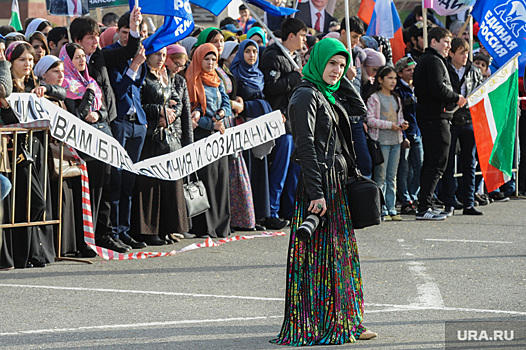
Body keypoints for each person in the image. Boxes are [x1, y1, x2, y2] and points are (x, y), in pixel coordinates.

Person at [272, 38, 376, 346]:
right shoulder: (305, 96)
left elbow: (358, 108)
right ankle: (323, 321)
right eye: (332, 64)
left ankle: (346, 318)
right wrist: (317, 194)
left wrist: (342, 79)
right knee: (322, 258)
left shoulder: (325, 92)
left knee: (339, 256)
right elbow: (304, 148)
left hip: (337, 185)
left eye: (342, 65)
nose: (337, 70)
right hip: (320, 187)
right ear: (318, 62)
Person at [69, 8, 142, 251]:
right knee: (95, 185)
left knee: (110, 182)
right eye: (90, 37)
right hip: (85, 132)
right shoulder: (68, 65)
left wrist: (134, 27)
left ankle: (107, 234)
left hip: (105, 124)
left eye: (96, 35)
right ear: (78, 40)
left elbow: (130, 51)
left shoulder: (100, 57)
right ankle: (90, 236)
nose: (95, 40)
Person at [0, 42, 61, 269]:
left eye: (31, 60)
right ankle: (18, 254)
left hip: (36, 151)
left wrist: (47, 91)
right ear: (11, 63)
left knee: (34, 204)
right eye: (22, 60)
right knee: (32, 203)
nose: (28, 64)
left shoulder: (33, 85)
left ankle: (30, 253)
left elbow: (62, 92)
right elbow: (9, 120)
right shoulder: (6, 90)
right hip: (14, 154)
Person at [131, 47, 192, 244]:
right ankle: (149, 231)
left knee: (168, 185)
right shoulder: (143, 76)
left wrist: (171, 113)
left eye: (164, 55)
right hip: (150, 137)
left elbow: (178, 99)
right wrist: (159, 111)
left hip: (168, 137)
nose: (161, 59)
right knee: (150, 186)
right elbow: (137, 102)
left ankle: (167, 228)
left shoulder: (166, 76)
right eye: (157, 54)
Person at [105, 11, 149, 249]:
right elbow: (118, 90)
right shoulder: (111, 55)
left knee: (129, 181)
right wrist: (133, 65)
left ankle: (125, 229)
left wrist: (137, 66)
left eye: (133, 33)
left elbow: (138, 86)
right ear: (119, 32)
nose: (128, 38)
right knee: (117, 179)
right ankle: (113, 230)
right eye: (125, 32)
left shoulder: (139, 54)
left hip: (137, 122)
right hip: (120, 122)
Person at [413, 27, 467, 220]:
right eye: (445, 41)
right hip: (435, 118)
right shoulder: (433, 61)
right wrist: (456, 97)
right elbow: (438, 89)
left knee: (433, 162)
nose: (448, 46)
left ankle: (426, 204)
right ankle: (424, 207)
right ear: (433, 42)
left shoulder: (430, 60)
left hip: (433, 117)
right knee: (436, 163)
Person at [260, 18, 307, 229]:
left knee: (294, 170)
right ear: (291, 36)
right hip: (279, 121)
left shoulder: (295, 57)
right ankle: (272, 211)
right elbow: (271, 88)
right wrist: (294, 78)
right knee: (279, 169)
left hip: (295, 121)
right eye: (302, 35)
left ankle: (290, 210)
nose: (304, 40)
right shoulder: (272, 56)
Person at [186, 43, 231, 238]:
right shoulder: (191, 79)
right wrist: (209, 124)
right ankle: (204, 226)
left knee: (220, 179)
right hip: (201, 135)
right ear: (198, 59)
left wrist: (222, 113)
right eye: (207, 59)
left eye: (214, 59)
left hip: (218, 135)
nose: (211, 63)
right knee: (205, 181)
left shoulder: (217, 80)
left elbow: (226, 103)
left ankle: (221, 225)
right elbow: (190, 112)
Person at [230, 39, 273, 230]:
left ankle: (262, 215)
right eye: (247, 51)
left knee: (259, 170)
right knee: (245, 171)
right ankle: (246, 217)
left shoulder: (259, 75)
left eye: (254, 52)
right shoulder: (235, 75)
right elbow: (237, 104)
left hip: (259, 130)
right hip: (243, 129)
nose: (251, 55)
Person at [442, 38, 484, 216]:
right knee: (448, 164)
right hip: (450, 120)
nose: (465, 56)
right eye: (461, 52)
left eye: (466, 52)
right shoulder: (444, 69)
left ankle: (469, 202)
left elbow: (480, 93)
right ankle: (449, 203)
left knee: (469, 163)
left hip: (469, 121)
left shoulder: (474, 71)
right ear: (451, 53)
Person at [365, 66, 408, 221]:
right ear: (380, 80)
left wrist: (403, 125)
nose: (393, 81)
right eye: (389, 78)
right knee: (380, 176)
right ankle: (380, 208)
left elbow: (400, 117)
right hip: (381, 141)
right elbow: (370, 120)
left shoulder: (396, 98)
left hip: (396, 140)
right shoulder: (374, 98)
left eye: (395, 78)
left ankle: (391, 208)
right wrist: (391, 125)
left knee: (392, 176)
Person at [394, 57, 423, 215]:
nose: (412, 72)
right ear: (400, 73)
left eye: (413, 69)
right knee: (404, 169)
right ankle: (405, 200)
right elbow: (400, 115)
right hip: (406, 133)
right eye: (408, 70)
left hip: (418, 132)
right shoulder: (398, 90)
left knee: (419, 166)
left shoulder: (417, 86)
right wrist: (404, 134)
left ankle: (413, 195)